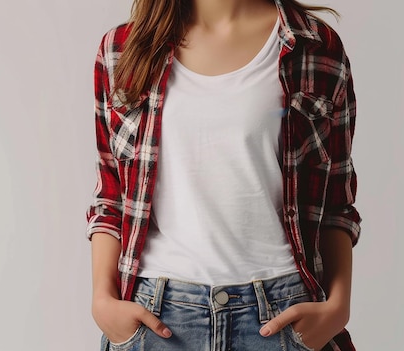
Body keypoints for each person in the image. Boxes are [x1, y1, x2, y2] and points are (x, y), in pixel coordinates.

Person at [85, 0, 361, 350]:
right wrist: (102, 299)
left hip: (282, 315)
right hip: (156, 316)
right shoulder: (123, 49)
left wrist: (338, 307)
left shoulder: (314, 46)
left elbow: (336, 197)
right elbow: (111, 193)